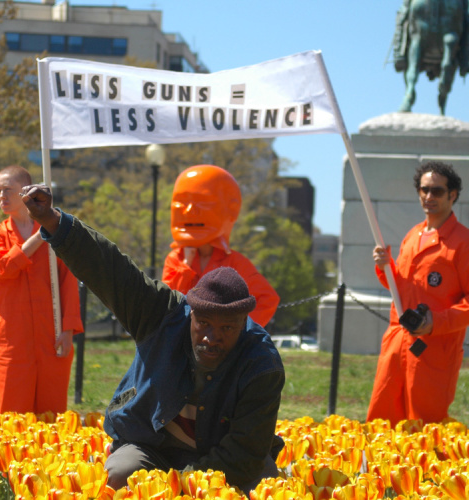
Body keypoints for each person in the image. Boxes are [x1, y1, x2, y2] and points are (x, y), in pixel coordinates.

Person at [20, 183, 285, 492]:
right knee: (118, 477)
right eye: (204, 323)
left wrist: (181, 484)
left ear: (244, 323)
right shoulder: (163, 314)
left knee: (266, 487)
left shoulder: (261, 363)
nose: (212, 338)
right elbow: (111, 270)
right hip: (151, 443)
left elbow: (243, 453)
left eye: (227, 328)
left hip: (223, 455)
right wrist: (53, 220)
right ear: (191, 314)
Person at [368, 160, 469, 425]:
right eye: (424, 190)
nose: (428, 196)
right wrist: (385, 267)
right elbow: (404, 287)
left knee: (426, 429)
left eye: (437, 191)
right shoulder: (412, 235)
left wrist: (436, 321)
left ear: (453, 195)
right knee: (383, 420)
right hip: (397, 343)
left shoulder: (467, 244)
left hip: (434, 350)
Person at [0, 165, 83, 415]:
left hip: (51, 339)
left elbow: (68, 281)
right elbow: (2, 266)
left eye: (7, 190)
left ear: (26, 192)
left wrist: (67, 330)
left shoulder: (56, 234)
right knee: (11, 422)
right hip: (11, 344)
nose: (1, 196)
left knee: (51, 419)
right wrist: (40, 236)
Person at [162, 164, 280, 328]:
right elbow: (168, 303)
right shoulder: (175, 259)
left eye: (202, 201)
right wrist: (186, 266)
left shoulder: (234, 262)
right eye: (181, 201)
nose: (189, 210)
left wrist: (237, 333)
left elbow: (267, 300)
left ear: (232, 209)